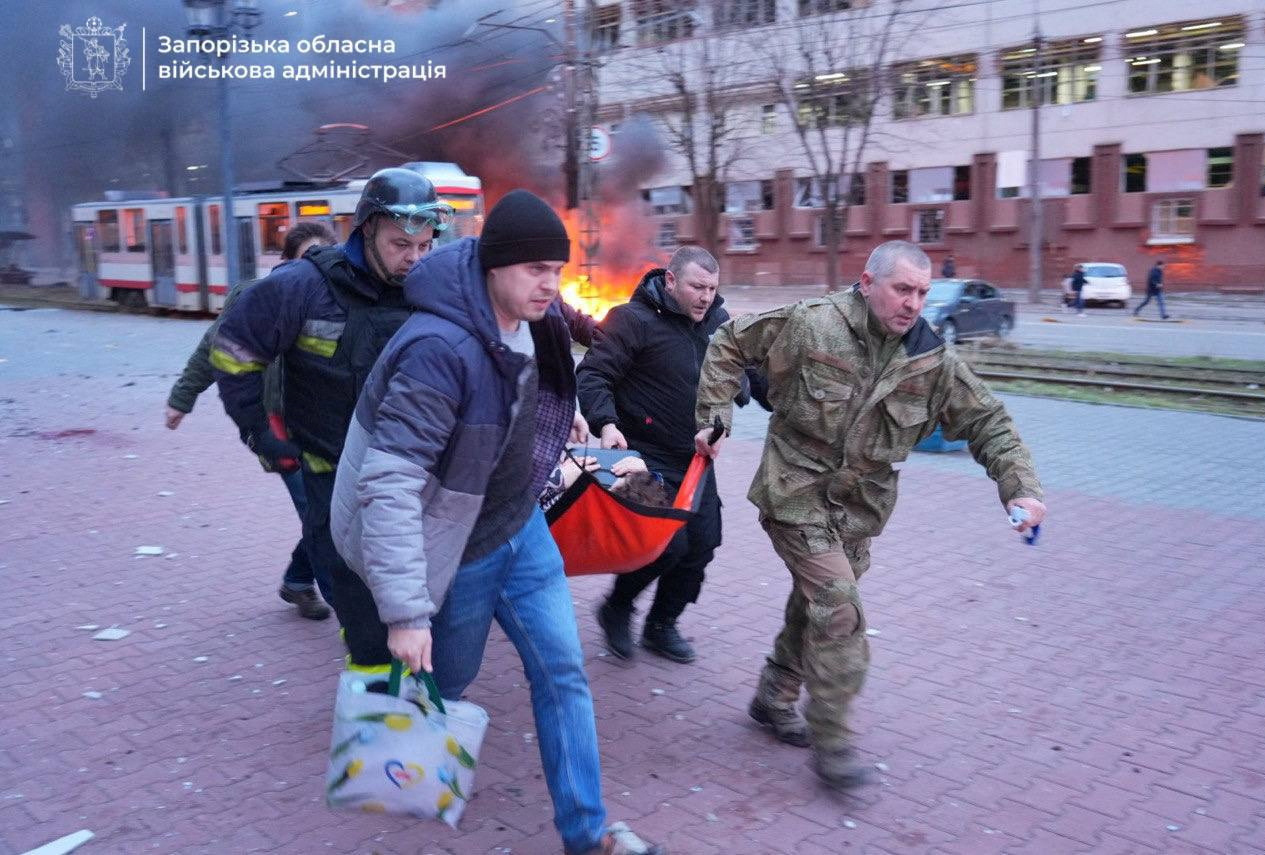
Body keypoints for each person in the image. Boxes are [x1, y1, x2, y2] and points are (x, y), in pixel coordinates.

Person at [328, 189, 663, 855]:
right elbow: (388, 482)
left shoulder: (533, 315)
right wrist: (404, 613)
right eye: (537, 269)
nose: (551, 284)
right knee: (440, 680)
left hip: (520, 526)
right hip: (458, 542)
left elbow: (530, 379)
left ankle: (588, 833)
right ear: (493, 267)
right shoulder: (435, 347)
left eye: (558, 270)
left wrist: (558, 412)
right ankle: (389, 743)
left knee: (563, 669)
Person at [692, 239, 1047, 790]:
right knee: (839, 610)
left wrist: (1019, 489)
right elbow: (729, 342)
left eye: (923, 293)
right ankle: (832, 741)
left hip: (860, 513)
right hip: (795, 491)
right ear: (867, 282)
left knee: (815, 605)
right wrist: (715, 417)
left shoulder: (932, 360)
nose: (913, 303)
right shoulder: (814, 324)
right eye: (902, 288)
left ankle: (773, 697)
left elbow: (989, 423)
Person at [211, 167, 452, 612]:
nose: (415, 259)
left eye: (424, 245)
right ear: (366, 230)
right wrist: (259, 432)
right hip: (333, 477)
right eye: (400, 244)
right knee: (357, 606)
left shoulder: (437, 288)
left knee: (421, 598)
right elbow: (233, 353)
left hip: (414, 478)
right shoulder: (301, 287)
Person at [164, 220, 336, 620]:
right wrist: (181, 399)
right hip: (279, 428)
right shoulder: (257, 297)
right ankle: (354, 622)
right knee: (322, 519)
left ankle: (296, 581)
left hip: (325, 427)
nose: (317, 264)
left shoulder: (335, 299)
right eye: (308, 255)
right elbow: (214, 347)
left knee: (325, 515)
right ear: (288, 259)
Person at [576, 246, 729, 665]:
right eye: (697, 287)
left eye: (712, 289)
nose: (705, 297)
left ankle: (662, 625)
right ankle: (617, 607)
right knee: (666, 544)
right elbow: (593, 375)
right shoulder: (631, 321)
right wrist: (605, 424)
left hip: (697, 458)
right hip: (643, 457)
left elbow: (746, 373)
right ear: (671, 281)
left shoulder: (719, 324)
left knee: (701, 545)